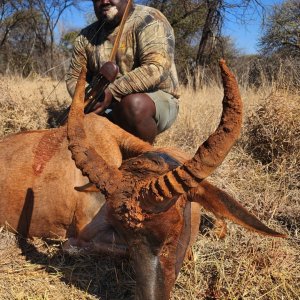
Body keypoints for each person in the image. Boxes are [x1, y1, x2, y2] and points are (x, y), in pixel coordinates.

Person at [66, 0, 179, 144]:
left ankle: (142, 156)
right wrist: (88, 97)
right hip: (106, 102)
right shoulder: (85, 36)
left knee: (134, 105)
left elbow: (156, 68)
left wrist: (112, 92)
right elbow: (73, 77)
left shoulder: (150, 18)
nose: (104, 1)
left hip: (155, 100)